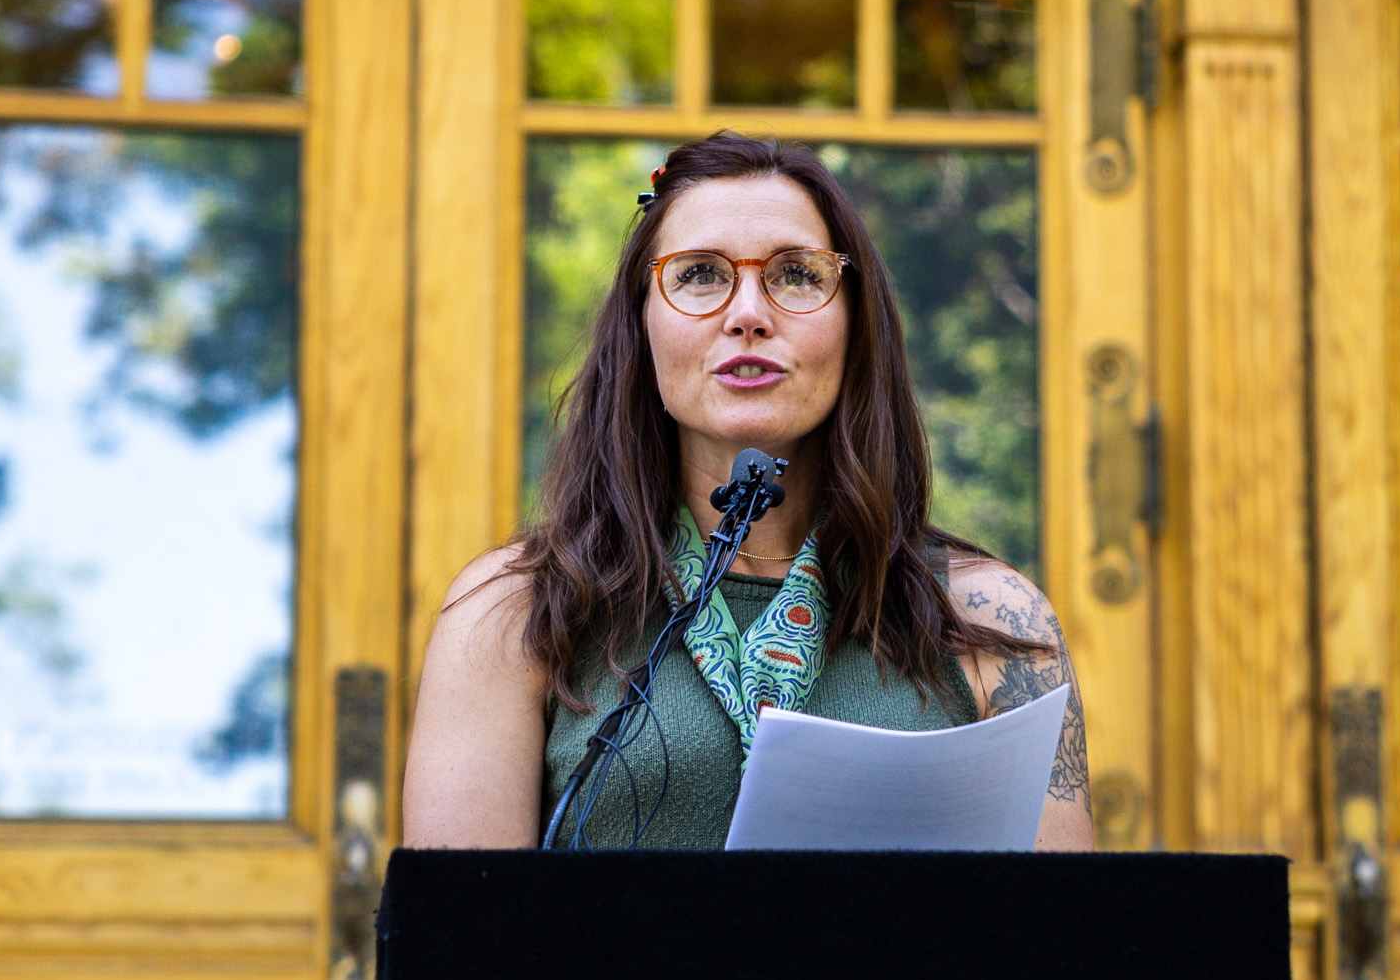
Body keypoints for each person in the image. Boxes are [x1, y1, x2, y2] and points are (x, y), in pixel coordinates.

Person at [403, 130, 1093, 852]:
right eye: (700, 273)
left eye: (797, 275)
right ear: (642, 327)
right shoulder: (513, 610)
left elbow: (1062, 946)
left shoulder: (991, 617)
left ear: (856, 324)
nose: (748, 314)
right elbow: (461, 950)